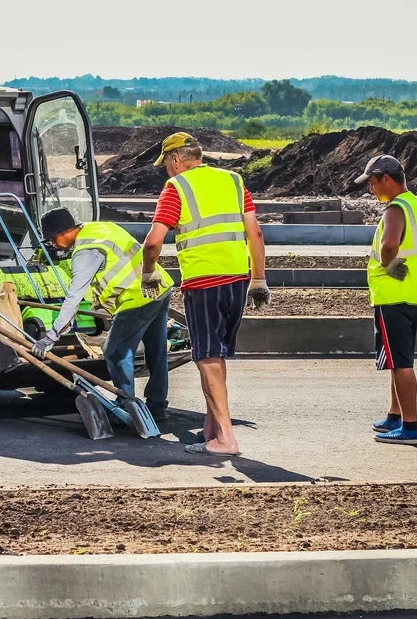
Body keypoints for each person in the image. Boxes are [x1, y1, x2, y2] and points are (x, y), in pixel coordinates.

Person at [140, 132, 268, 457]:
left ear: (175, 160)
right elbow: (254, 230)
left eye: (167, 165)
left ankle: (225, 438)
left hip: (203, 281)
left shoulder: (177, 187)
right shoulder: (234, 181)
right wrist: (259, 279)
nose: (167, 171)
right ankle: (212, 430)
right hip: (238, 278)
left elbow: (153, 241)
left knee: (207, 358)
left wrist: (148, 271)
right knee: (216, 354)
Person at [32, 208, 174, 422]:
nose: (52, 245)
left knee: (116, 351)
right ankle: (156, 406)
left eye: (52, 239)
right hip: (155, 286)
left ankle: (126, 406)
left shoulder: (85, 251)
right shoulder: (100, 228)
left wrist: (52, 336)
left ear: (64, 232)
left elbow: (74, 296)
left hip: (135, 296)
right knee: (156, 349)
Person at [357, 155, 417, 445]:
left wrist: (388, 266)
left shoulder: (394, 209)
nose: (371, 189)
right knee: (397, 359)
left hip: (394, 295)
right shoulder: (416, 203)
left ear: (386, 179)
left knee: (401, 362)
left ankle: (411, 426)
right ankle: (395, 414)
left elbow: (390, 244)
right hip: (415, 292)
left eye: (373, 183)